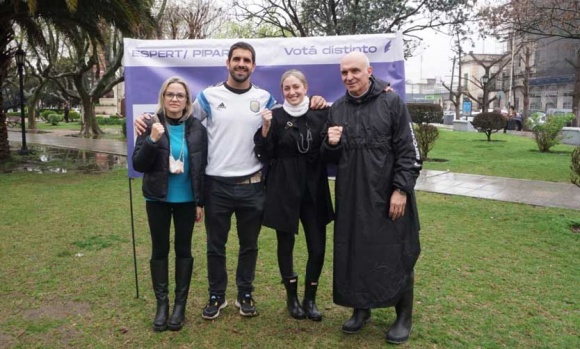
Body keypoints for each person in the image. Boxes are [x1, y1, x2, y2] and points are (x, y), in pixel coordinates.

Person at [134, 42, 327, 320]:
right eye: (236, 59)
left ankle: (245, 294)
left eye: (246, 60)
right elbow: (181, 118)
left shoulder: (265, 98)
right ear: (227, 63)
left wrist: (317, 102)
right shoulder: (209, 96)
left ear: (253, 66)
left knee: (250, 246)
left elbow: (293, 110)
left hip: (253, 184)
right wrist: (145, 118)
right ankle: (217, 296)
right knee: (216, 246)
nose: (241, 64)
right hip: (217, 186)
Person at [321, 52, 422, 345]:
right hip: (352, 196)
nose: (349, 77)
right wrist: (330, 143)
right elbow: (327, 157)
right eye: (344, 72)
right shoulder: (337, 108)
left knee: (397, 252)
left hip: (389, 195)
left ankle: (403, 316)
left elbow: (409, 152)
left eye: (354, 70)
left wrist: (401, 190)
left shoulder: (392, 103)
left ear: (369, 71)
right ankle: (360, 309)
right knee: (355, 252)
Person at [254, 69, 334, 321]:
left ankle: (310, 299)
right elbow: (264, 154)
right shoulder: (275, 116)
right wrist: (265, 128)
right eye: (287, 88)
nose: (292, 92)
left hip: (314, 188)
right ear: (282, 92)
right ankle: (292, 299)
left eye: (296, 87)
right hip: (283, 187)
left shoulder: (321, 112)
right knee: (285, 245)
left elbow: (332, 150)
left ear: (305, 86)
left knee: (318, 247)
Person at [132, 77, 207, 332]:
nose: (175, 99)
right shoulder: (149, 123)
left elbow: (201, 168)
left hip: (187, 200)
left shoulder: (197, 128)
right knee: (160, 250)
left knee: (184, 250)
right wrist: (152, 140)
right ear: (163, 97)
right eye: (170, 94)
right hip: (157, 199)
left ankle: (179, 307)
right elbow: (139, 165)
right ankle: (162, 305)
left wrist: (200, 202)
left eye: (180, 95)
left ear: (187, 101)